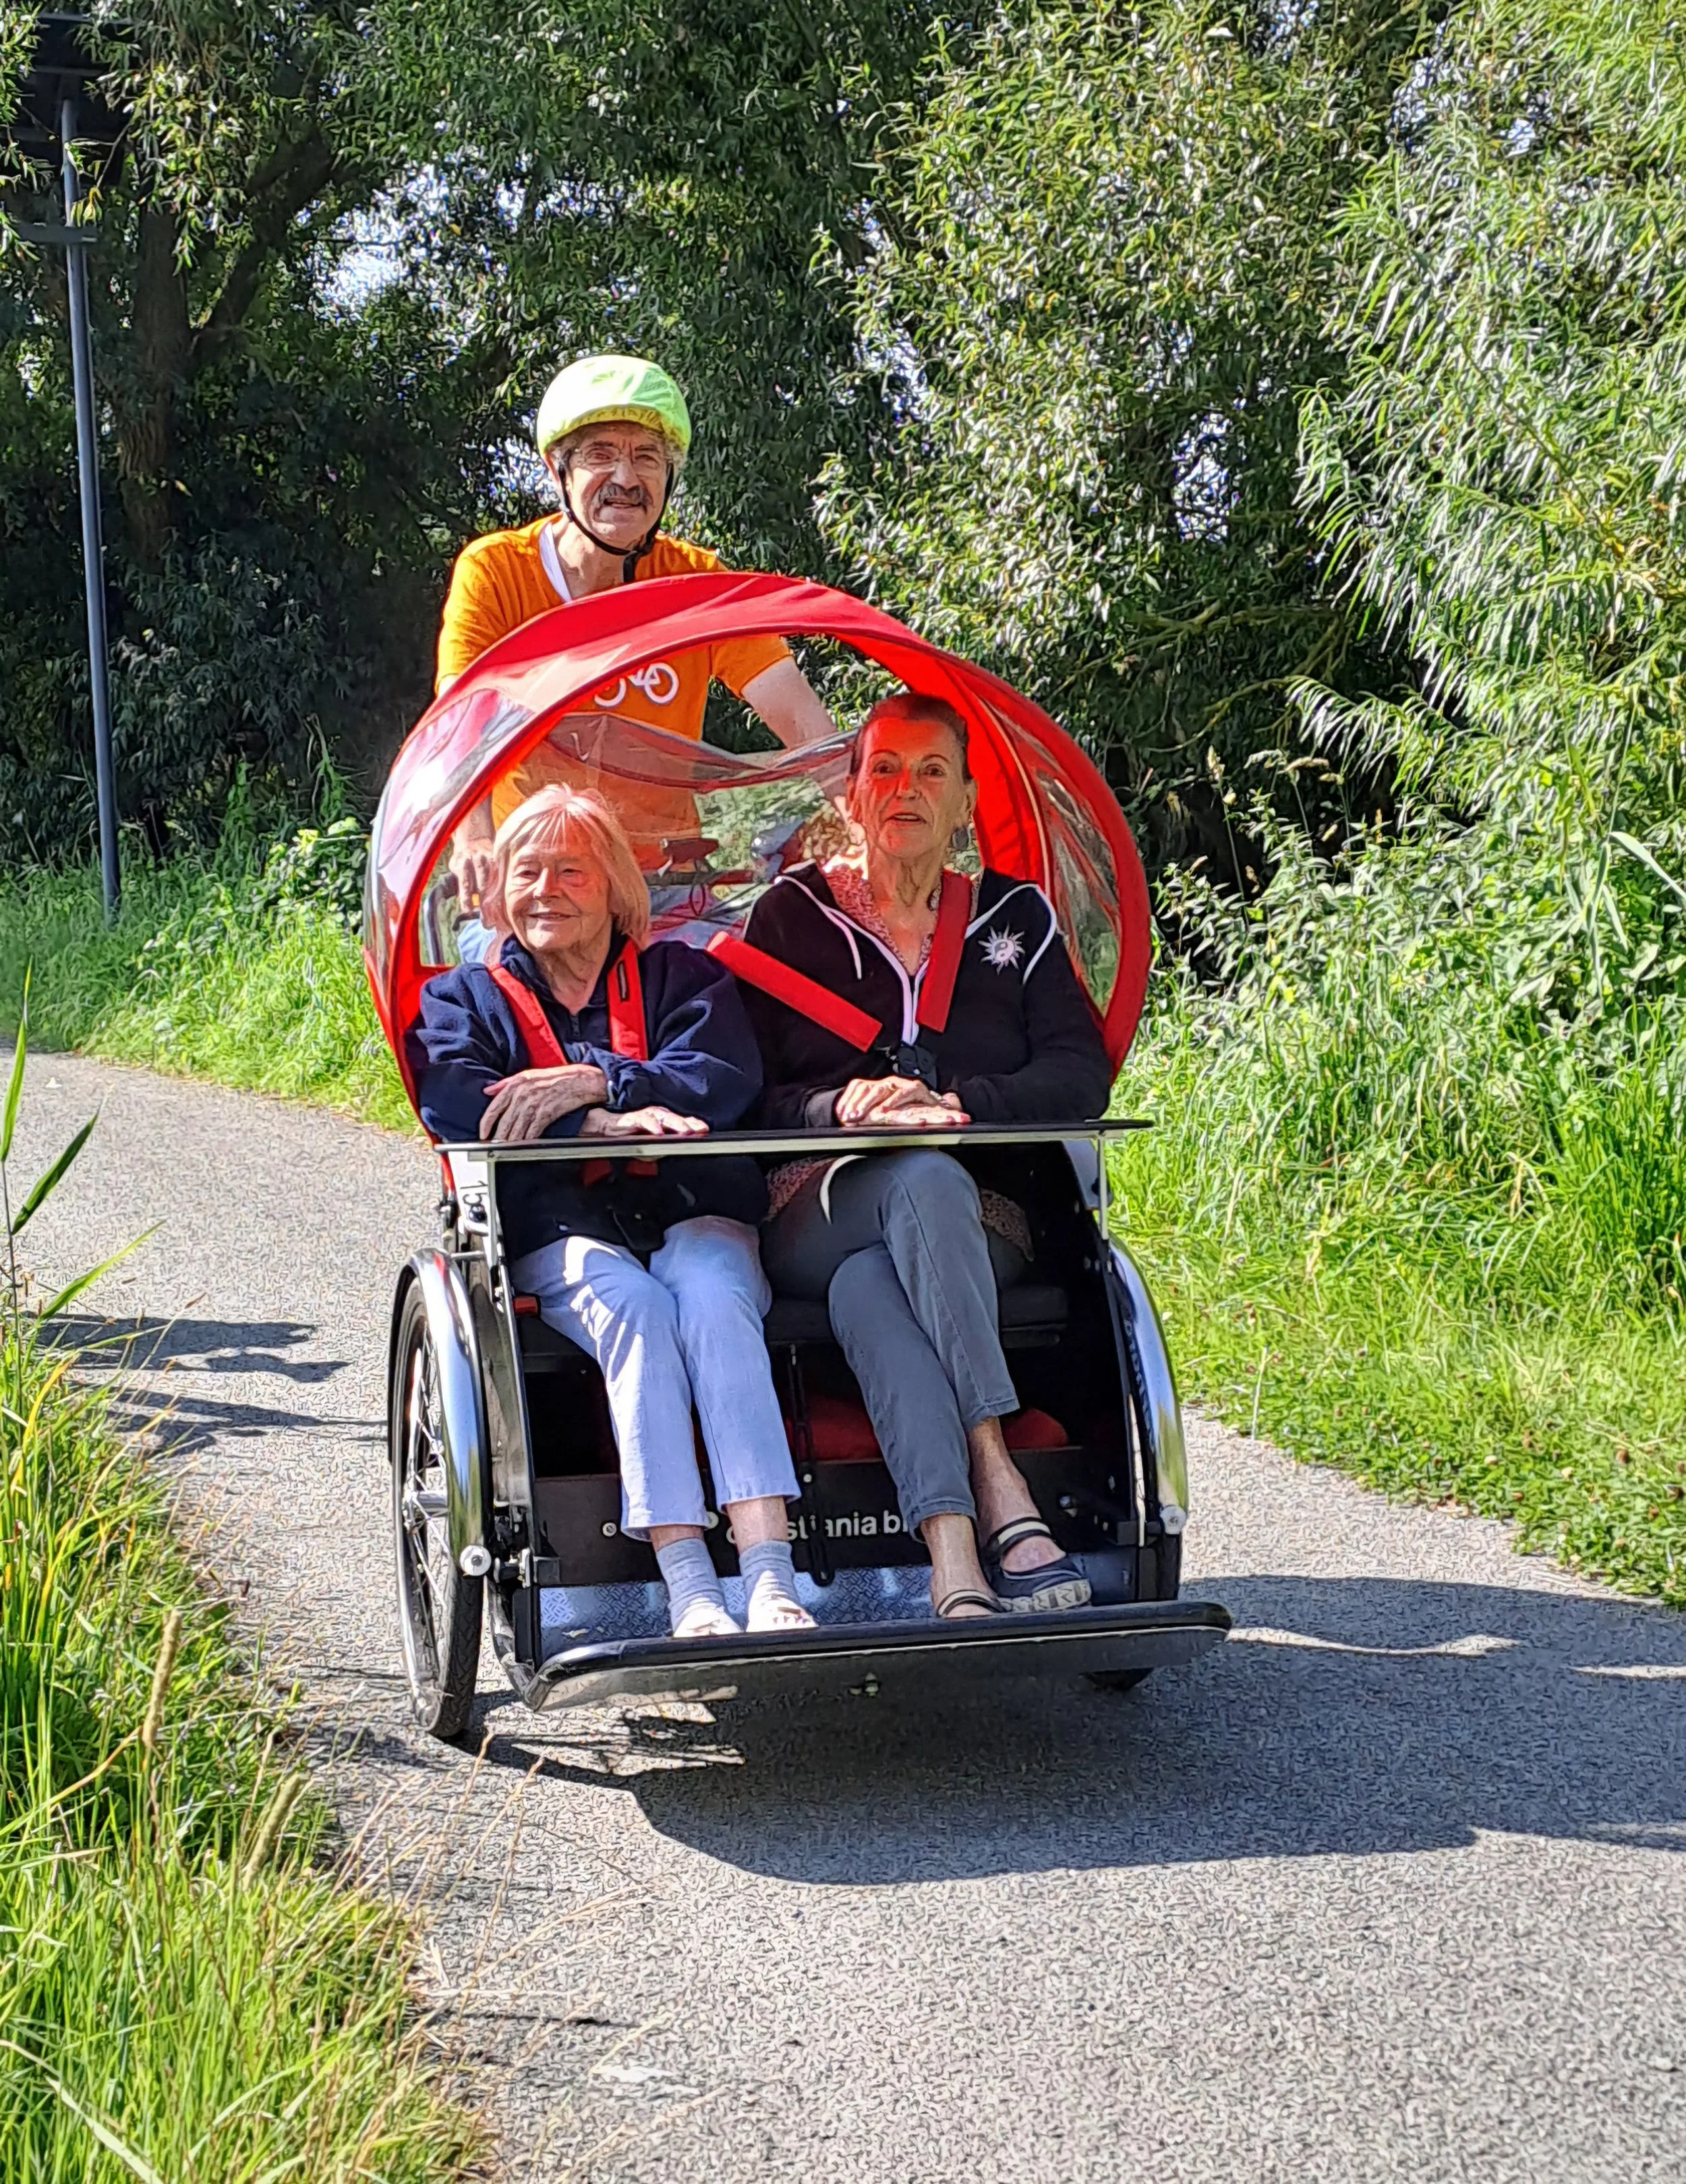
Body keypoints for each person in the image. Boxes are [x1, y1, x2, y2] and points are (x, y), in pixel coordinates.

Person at [732, 693, 1115, 1622]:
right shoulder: (791, 917)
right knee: (914, 1180)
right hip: (815, 1203)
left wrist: (959, 1106)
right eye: (885, 770)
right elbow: (747, 1088)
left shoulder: (1012, 917)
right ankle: (999, 1478)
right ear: (853, 795)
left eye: (931, 772)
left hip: (987, 1219)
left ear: (964, 804)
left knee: (882, 1276)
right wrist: (840, 1105)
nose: (906, 789)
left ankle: (951, 1549)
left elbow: (1079, 1076)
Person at [410, 786, 813, 1640]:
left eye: (571, 871)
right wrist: (593, 1122)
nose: (546, 889)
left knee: (711, 1299)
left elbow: (723, 1077)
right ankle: (691, 1584)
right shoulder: (463, 1000)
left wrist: (599, 1080)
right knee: (634, 1307)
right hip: (557, 1226)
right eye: (527, 871)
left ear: (617, 889)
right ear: (498, 892)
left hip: (689, 1207)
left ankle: (771, 1575)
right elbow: (455, 1096)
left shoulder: (684, 976)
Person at [436, 353, 836, 910]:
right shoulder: (498, 572)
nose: (625, 479)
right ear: (559, 472)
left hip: (669, 883)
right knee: (503, 995)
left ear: (668, 479)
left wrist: (861, 814)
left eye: (646, 457)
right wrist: (474, 839)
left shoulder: (696, 582)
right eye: (601, 455)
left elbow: (797, 714)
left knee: (734, 991)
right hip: (542, 885)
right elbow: (462, 722)